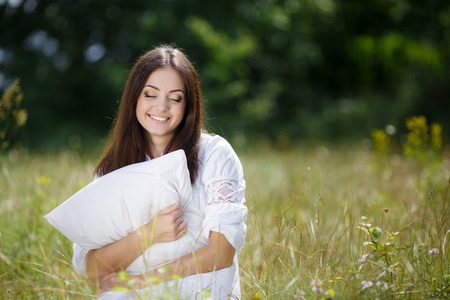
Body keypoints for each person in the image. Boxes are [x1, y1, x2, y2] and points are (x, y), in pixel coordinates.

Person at [71, 44, 248, 299]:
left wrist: (140, 282)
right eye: (150, 94)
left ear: (188, 105)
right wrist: (148, 234)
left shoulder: (215, 154)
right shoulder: (113, 168)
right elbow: (97, 271)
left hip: (202, 287)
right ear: (134, 98)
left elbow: (221, 253)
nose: (161, 107)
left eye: (175, 98)